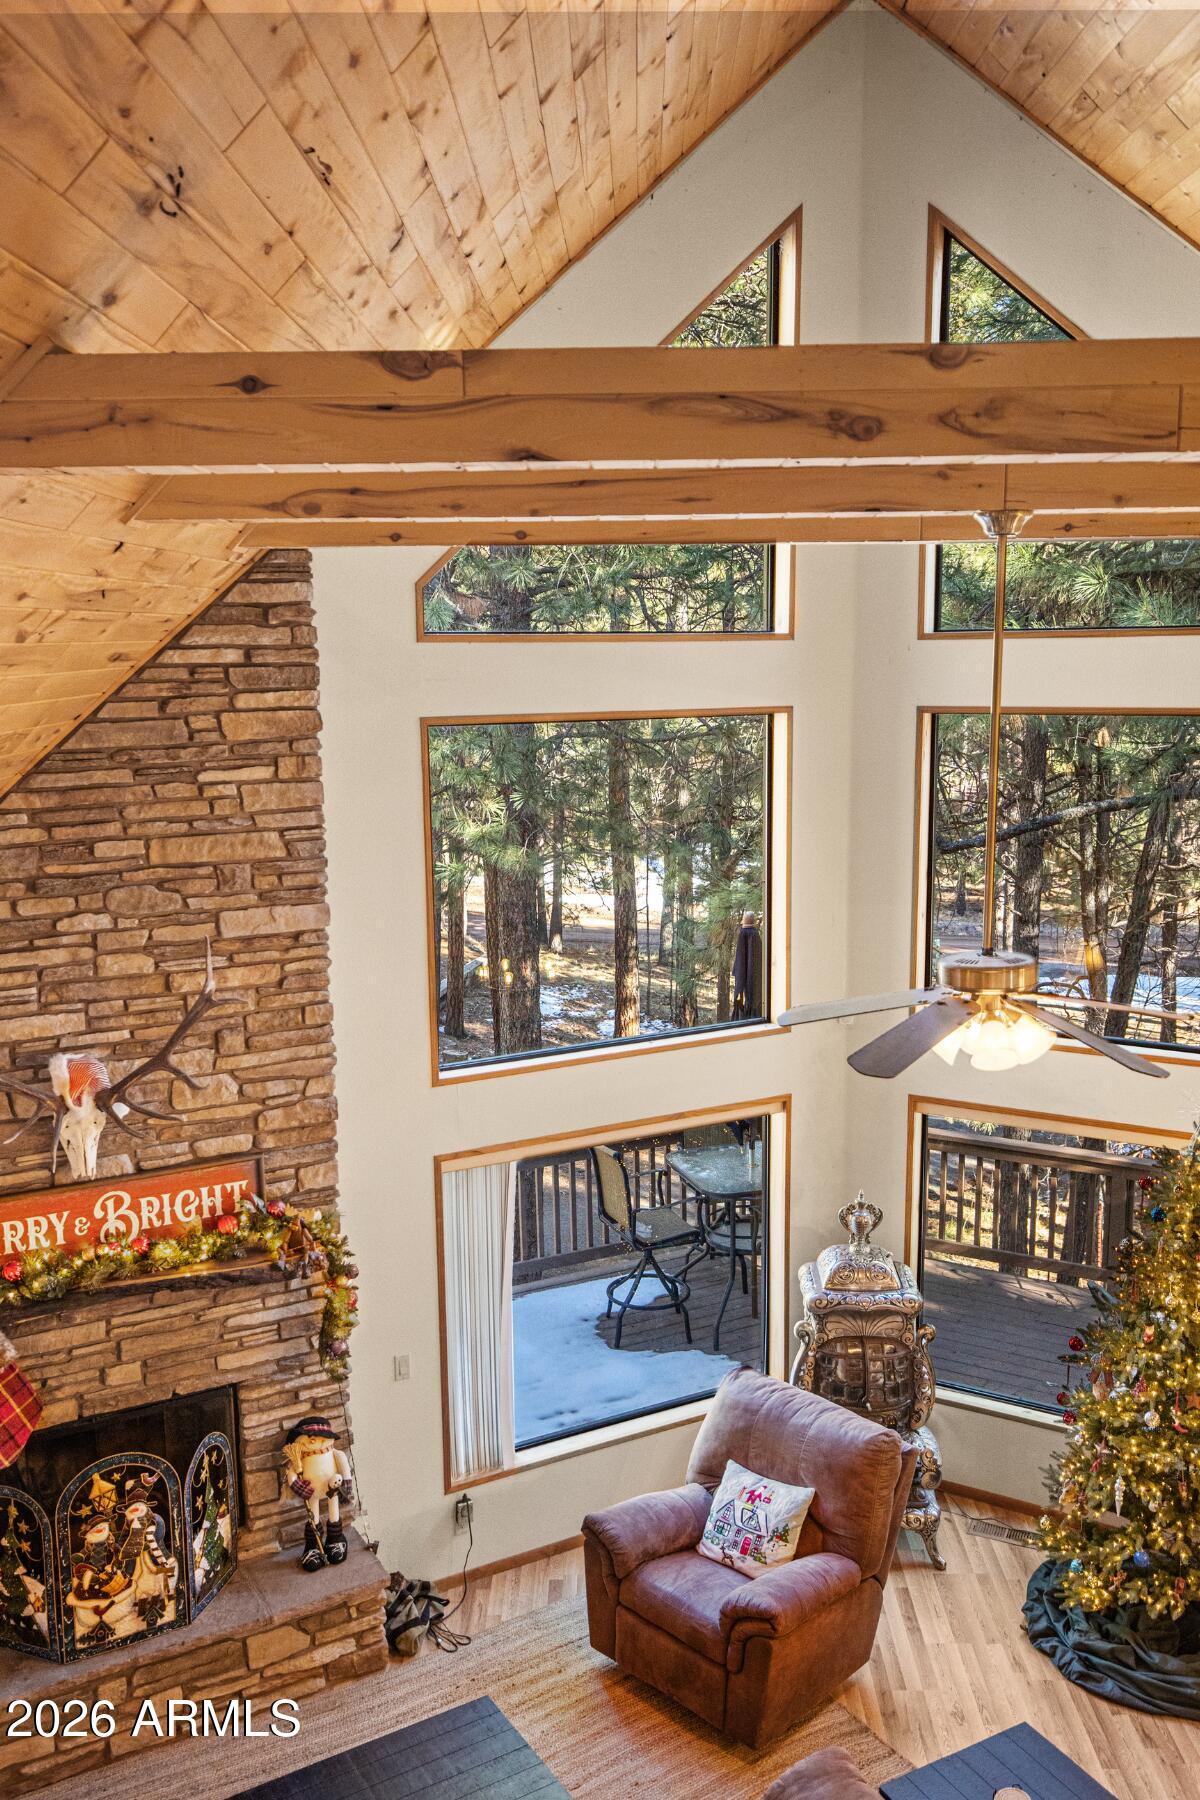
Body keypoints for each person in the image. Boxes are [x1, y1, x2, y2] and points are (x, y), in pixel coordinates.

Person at [731, 911, 763, 1020]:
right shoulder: (755, 935)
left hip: (748, 980)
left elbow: (740, 959)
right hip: (756, 980)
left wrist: (738, 972)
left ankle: (744, 1012)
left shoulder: (743, 933)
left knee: (746, 994)